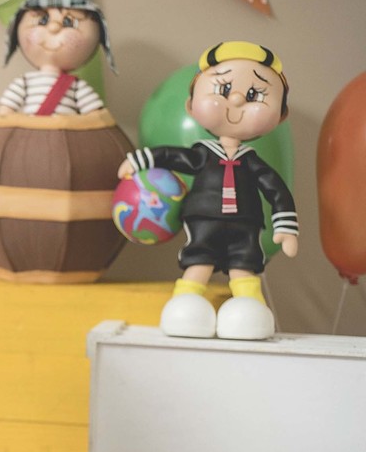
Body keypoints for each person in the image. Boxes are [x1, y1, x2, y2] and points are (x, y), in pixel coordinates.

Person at [118, 41, 298, 340]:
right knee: (198, 260)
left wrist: (286, 227)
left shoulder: (253, 162)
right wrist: (139, 161)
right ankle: (185, 307)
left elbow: (276, 190)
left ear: (280, 116)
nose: (237, 98)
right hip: (203, 220)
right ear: (191, 105)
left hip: (245, 225)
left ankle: (250, 311)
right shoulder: (201, 154)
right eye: (224, 89)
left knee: (244, 266)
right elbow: (171, 156)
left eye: (254, 94)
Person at [0, 0, 115, 116]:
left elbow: (95, 115)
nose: (54, 27)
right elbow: (6, 110)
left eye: (68, 22)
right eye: (43, 20)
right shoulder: (25, 82)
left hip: (65, 130)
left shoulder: (76, 86)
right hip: (31, 129)